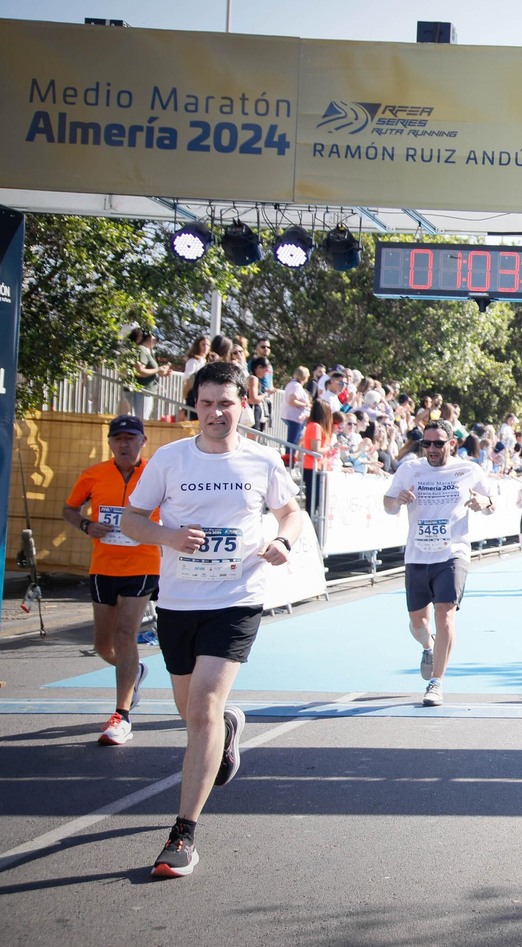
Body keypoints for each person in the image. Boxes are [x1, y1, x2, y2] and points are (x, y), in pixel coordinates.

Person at [120, 360, 306, 878]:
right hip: (179, 602)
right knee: (192, 712)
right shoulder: (170, 458)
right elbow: (132, 519)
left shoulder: (262, 459)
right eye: (206, 404)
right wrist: (169, 537)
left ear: (242, 404)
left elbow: (291, 513)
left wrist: (282, 541)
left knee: (201, 706)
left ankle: (182, 835)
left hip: (237, 597)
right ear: (195, 407)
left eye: (225, 403)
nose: (216, 413)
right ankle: (226, 728)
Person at [62, 414, 159, 746]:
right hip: (103, 566)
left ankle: (122, 714)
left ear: (143, 441)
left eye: (130, 438)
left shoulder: (155, 474)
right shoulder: (93, 474)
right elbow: (69, 509)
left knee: (125, 633)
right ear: (110, 443)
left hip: (143, 563)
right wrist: (86, 525)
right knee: (103, 645)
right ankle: (133, 673)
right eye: (118, 438)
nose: (124, 444)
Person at [383, 419, 495, 708]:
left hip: (453, 554)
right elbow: (387, 504)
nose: (431, 449)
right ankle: (428, 645)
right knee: (418, 623)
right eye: (427, 443)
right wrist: (397, 500)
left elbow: (492, 501)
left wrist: (484, 503)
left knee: (445, 616)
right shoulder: (409, 468)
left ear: (451, 444)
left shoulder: (468, 469)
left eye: (438, 443)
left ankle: (436, 683)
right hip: (417, 555)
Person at [299, 400, 334, 516]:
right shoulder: (315, 426)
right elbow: (316, 449)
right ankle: (310, 521)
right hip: (312, 467)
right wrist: (330, 447)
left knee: (316, 500)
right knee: (313, 500)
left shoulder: (314, 426)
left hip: (317, 466)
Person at [127, 327, 169, 421]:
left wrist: (161, 372)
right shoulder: (142, 350)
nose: (157, 343)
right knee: (142, 419)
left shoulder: (146, 350)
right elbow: (139, 371)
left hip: (146, 392)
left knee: (143, 419)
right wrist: (157, 370)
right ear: (151, 337)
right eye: (157, 340)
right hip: (143, 392)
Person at [279, 367, 312, 453]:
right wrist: (306, 404)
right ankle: (289, 457)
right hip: (294, 417)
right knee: (292, 441)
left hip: (295, 417)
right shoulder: (296, 386)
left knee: (296, 440)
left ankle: (291, 456)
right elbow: (291, 401)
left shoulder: (293, 384)